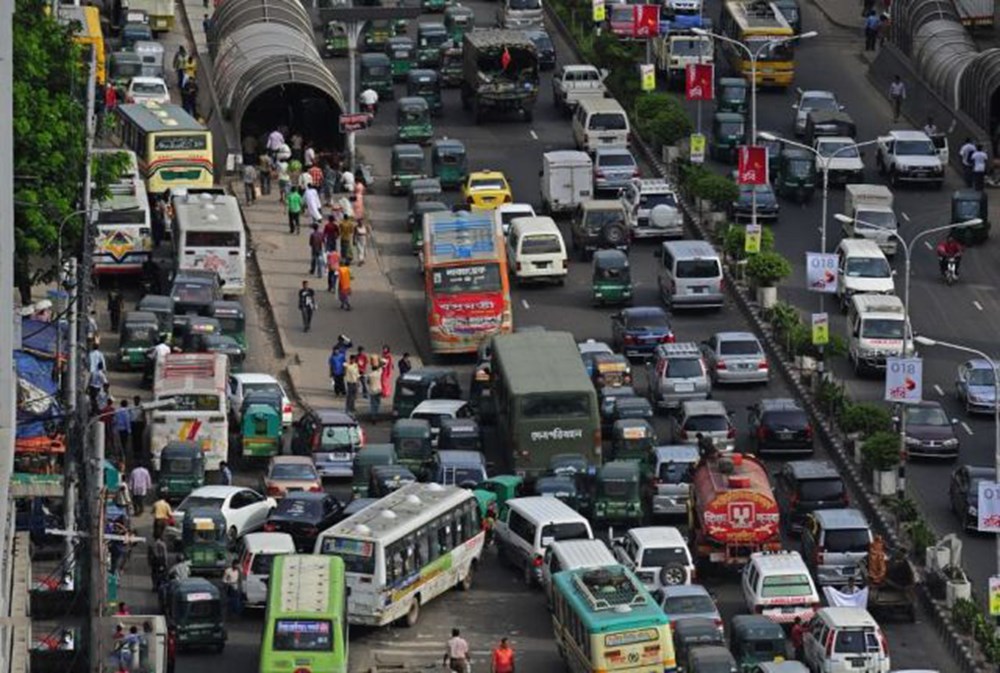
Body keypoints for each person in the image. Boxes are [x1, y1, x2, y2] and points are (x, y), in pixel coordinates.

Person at [367, 356, 383, 422]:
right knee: (377, 403)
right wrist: (379, 361)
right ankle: (376, 414)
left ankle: (373, 416)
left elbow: (368, 382)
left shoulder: (370, 375)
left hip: (372, 391)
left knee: (372, 404)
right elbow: (382, 366)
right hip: (378, 390)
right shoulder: (379, 373)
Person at [130, 396, 145, 463]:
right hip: (133, 423)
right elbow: (130, 415)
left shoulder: (142, 407)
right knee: (134, 438)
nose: (136, 401)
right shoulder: (131, 406)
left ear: (139, 400)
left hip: (139, 423)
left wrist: (144, 424)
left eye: (137, 400)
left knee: (139, 438)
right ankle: (134, 452)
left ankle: (139, 452)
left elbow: (144, 416)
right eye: (135, 400)